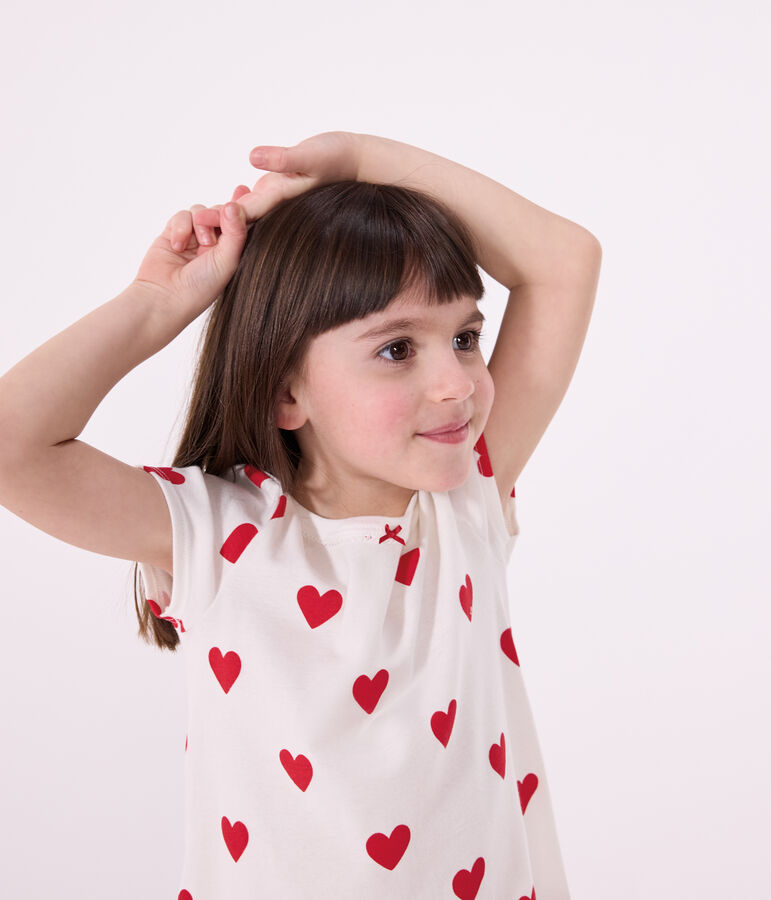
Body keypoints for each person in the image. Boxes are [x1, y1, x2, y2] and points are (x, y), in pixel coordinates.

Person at [0, 131, 602, 899]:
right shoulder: (219, 536)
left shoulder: (465, 503)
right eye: (396, 350)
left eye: (465, 337)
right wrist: (156, 304)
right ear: (287, 391)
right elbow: (13, 445)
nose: (456, 384)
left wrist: (362, 161)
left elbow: (565, 261)